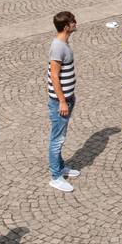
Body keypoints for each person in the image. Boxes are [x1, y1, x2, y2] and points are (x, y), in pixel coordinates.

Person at [46, 11, 80, 191]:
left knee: (60, 136)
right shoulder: (58, 47)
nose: (75, 22)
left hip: (67, 98)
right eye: (73, 21)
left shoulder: (63, 44)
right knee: (57, 139)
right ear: (66, 26)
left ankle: (60, 167)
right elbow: (54, 76)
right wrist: (62, 101)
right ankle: (55, 176)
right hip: (60, 101)